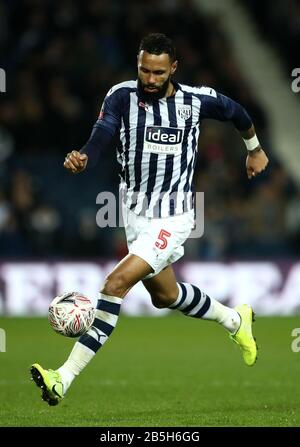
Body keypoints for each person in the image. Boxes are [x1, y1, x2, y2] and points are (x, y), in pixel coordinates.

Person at [30, 33, 268, 406]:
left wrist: (254, 150)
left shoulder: (195, 100)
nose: (150, 79)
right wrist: (86, 155)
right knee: (165, 296)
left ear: (173, 68)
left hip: (174, 216)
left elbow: (237, 112)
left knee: (115, 284)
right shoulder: (121, 95)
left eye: (158, 72)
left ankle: (63, 377)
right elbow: (104, 130)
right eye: (144, 70)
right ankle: (236, 320)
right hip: (135, 212)